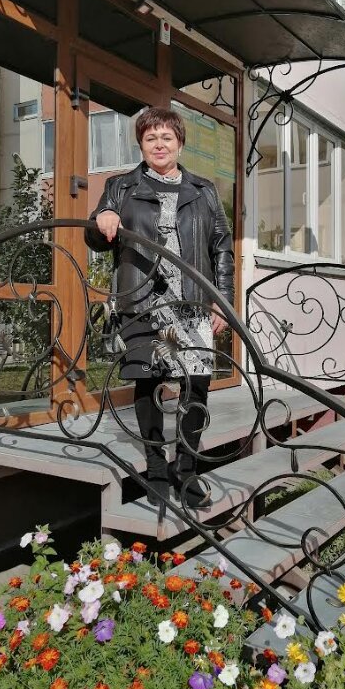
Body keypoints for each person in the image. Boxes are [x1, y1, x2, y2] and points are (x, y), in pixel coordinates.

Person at [85, 107, 234, 512]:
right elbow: (94, 239)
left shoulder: (204, 190)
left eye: (167, 137)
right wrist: (103, 216)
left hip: (191, 303)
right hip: (141, 303)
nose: (159, 144)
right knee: (147, 382)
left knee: (196, 384)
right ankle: (155, 470)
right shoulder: (120, 187)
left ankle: (186, 470)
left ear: (180, 144)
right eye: (151, 138)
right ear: (141, 145)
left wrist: (222, 300)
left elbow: (221, 247)